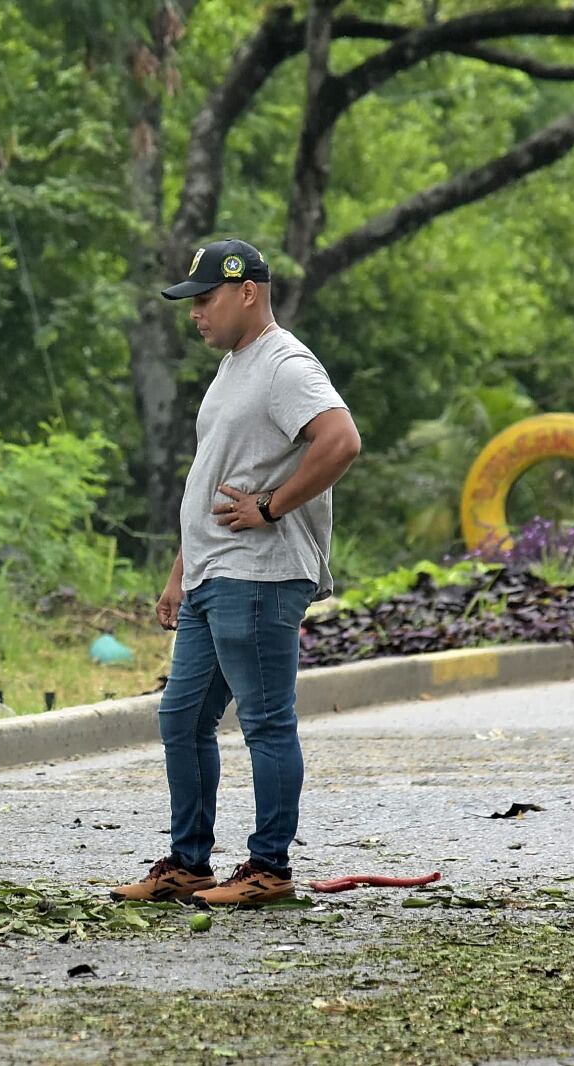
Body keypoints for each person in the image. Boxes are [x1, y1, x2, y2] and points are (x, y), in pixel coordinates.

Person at [111, 238, 361, 907]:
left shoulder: (284, 364)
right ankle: (189, 863)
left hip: (258, 576)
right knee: (183, 719)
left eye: (206, 298)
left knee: (266, 723)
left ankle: (268, 869)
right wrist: (179, 569)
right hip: (212, 575)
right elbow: (216, 477)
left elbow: (341, 439)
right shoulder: (233, 366)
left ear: (247, 291)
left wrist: (273, 507)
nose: (195, 313)